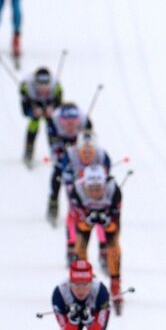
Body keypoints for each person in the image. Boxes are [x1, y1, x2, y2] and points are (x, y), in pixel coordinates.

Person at [69, 165, 124, 310]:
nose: (94, 193)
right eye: (91, 189)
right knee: (80, 247)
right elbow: (79, 223)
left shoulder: (114, 191)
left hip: (108, 216)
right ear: (85, 185)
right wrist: (88, 221)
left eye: (98, 188)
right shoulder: (77, 191)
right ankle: (86, 283)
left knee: (114, 247)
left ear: (105, 185)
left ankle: (115, 284)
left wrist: (107, 221)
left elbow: (115, 223)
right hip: (85, 217)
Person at [63, 130, 111, 265]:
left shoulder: (102, 156)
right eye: (84, 151)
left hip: (96, 190)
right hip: (77, 189)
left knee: (101, 215)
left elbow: (107, 175)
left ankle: (103, 246)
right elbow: (65, 173)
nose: (88, 155)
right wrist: (72, 187)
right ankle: (72, 246)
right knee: (74, 216)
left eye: (91, 151)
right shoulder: (70, 155)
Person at [45, 101, 91, 224]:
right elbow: (53, 145)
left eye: (73, 123)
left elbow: (90, 143)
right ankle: (53, 200)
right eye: (66, 123)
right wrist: (62, 157)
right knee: (59, 170)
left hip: (79, 146)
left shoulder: (85, 122)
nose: (70, 127)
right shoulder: (53, 123)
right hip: (61, 144)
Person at [19, 66, 63, 167]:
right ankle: (28, 151)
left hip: (50, 105)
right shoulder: (26, 88)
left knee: (52, 126)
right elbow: (24, 110)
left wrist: (53, 109)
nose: (43, 88)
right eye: (40, 85)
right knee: (34, 123)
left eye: (46, 85)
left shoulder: (56, 87)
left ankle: (56, 152)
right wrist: (33, 111)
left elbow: (60, 107)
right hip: (34, 104)